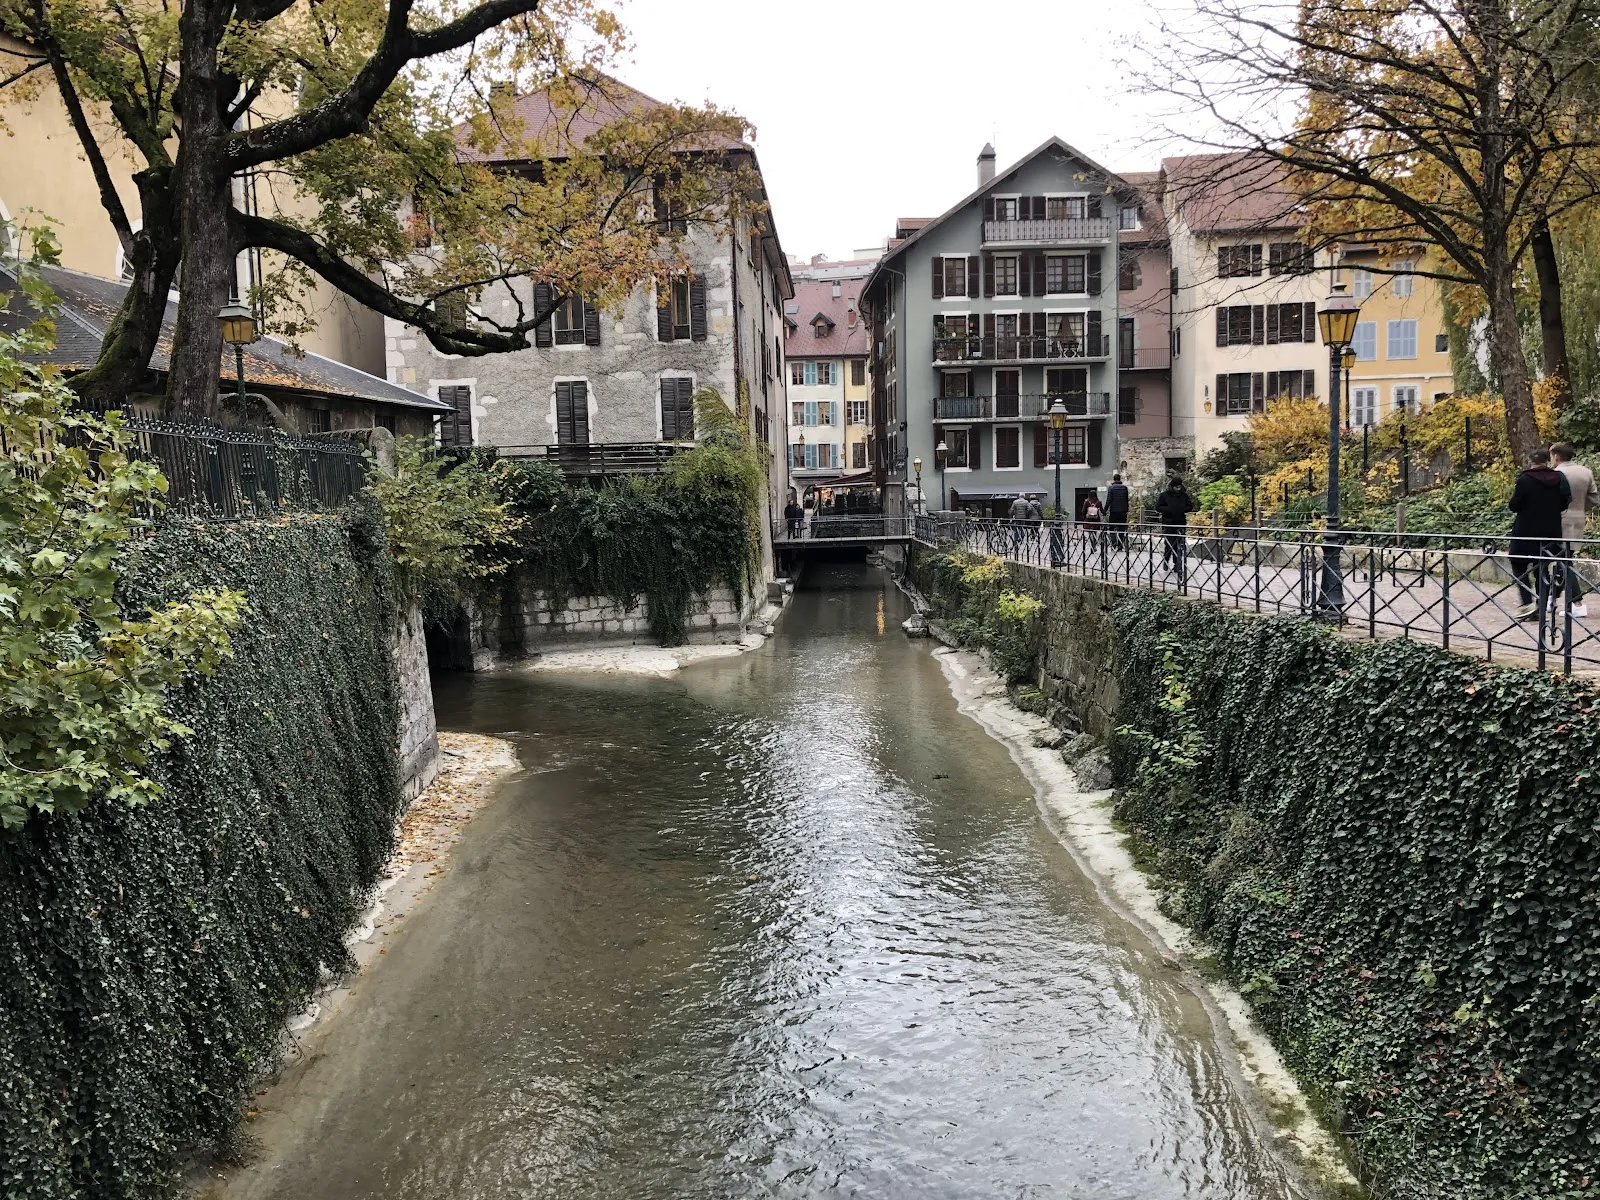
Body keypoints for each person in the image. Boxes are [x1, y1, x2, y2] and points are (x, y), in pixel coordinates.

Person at [1507, 448, 1571, 619]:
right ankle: (1540, 604)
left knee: (1518, 563)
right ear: (1547, 460)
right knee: (1541, 567)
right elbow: (1566, 501)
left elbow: (1514, 505)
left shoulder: (1525, 479)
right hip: (1550, 530)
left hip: (1525, 530)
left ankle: (1527, 603)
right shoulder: (1559, 478)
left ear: (1531, 461)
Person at [1552, 441, 1598, 617]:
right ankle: (1552, 598)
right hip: (1578, 518)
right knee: (1563, 558)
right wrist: (1580, 508)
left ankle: (1577, 603)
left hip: (1559, 519)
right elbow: (1594, 497)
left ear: (1556, 456)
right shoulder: (1585, 472)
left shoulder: (1556, 473)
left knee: (1564, 560)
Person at [1154, 476, 1195, 572]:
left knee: (1179, 544)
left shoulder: (1184, 496)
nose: (1178, 489)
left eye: (1179, 487)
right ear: (1172, 487)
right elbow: (1158, 507)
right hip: (1168, 523)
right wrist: (1168, 509)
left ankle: (1177, 564)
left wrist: (1181, 509)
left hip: (1180, 522)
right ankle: (1166, 560)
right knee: (1169, 544)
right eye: (1176, 487)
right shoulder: (1164, 495)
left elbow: (1190, 506)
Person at [1105, 472, 1130, 550]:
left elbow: (1109, 500)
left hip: (1114, 511)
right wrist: (1127, 509)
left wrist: (1104, 510)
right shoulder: (1125, 488)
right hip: (1123, 511)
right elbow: (1126, 500)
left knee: (1112, 527)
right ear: (1120, 479)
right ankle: (1120, 545)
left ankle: (1114, 542)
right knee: (1122, 528)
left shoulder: (1111, 488)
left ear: (1114, 479)